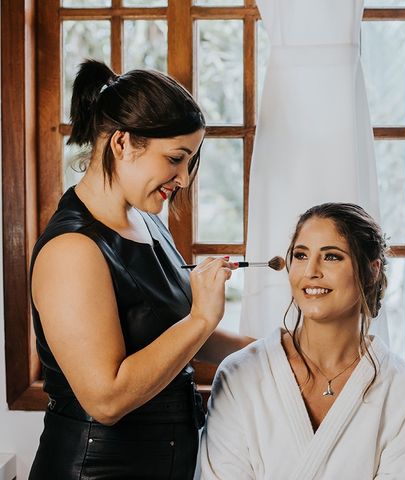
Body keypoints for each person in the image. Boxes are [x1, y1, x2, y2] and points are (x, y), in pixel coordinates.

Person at [29, 59, 250, 480]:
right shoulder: (72, 249)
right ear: (123, 144)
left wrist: (275, 349)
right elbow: (105, 399)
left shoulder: (146, 221)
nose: (184, 178)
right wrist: (202, 317)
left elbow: (169, 333)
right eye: (175, 158)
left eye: (190, 161)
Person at [199, 203, 405, 479]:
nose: (311, 271)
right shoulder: (239, 376)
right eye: (300, 255)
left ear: (372, 271)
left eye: (332, 257)